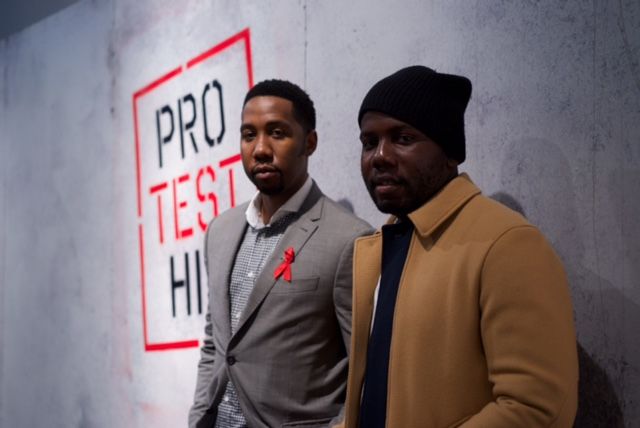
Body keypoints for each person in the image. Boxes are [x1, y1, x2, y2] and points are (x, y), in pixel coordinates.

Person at [341, 66, 579, 427]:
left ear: (450, 152)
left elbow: (537, 407)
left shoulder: (506, 243)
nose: (380, 156)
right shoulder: (384, 245)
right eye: (369, 142)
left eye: (403, 138)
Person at [189, 79, 372, 428]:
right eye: (248, 135)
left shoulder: (350, 238)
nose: (260, 148)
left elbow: (364, 371)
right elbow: (216, 344)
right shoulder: (220, 231)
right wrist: (198, 416)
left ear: (310, 142)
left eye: (277, 133)